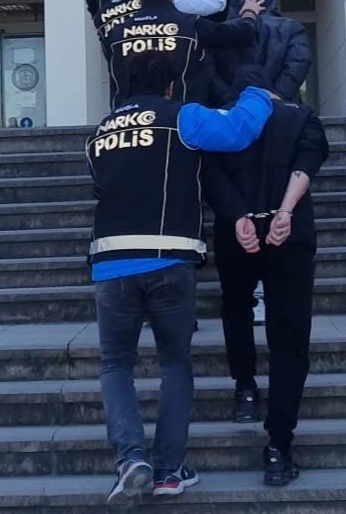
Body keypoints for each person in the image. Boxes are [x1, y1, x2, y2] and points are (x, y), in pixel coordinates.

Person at [87, 54, 275, 505]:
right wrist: (257, 93)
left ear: (122, 87)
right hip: (169, 257)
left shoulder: (100, 134)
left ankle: (130, 459)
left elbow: (99, 187)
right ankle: (169, 469)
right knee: (174, 364)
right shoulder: (182, 117)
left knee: (116, 365)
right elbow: (238, 131)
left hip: (110, 261)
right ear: (171, 86)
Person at [202, 66, 329, 487]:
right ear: (272, 92)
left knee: (236, 308)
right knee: (289, 335)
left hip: (235, 232)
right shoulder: (302, 116)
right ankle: (278, 446)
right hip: (290, 234)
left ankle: (245, 389)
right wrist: (285, 212)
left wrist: (239, 216)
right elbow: (309, 160)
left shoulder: (224, 121)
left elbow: (209, 174)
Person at [101, 0, 264, 108]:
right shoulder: (190, 24)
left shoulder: (117, 33)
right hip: (182, 117)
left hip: (128, 120)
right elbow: (240, 35)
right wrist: (249, 13)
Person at [208, 0, 312, 107]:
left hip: (231, 108)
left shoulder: (221, 30)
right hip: (282, 107)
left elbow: (208, 70)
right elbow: (299, 62)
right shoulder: (291, 28)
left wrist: (229, 98)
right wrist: (279, 96)